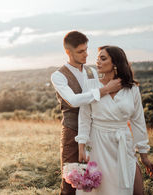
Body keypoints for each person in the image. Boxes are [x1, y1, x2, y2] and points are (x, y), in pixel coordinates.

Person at [76, 45, 153, 195]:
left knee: (137, 190)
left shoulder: (131, 89)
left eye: (103, 58)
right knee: (102, 189)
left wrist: (144, 155)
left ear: (115, 63)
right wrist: (81, 145)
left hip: (123, 141)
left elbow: (138, 122)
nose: (98, 61)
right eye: (97, 58)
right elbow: (84, 117)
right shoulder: (91, 85)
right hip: (98, 142)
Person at [51, 31, 122, 195]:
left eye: (86, 50)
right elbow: (74, 100)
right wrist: (105, 90)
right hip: (72, 131)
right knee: (71, 179)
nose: (86, 54)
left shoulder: (92, 71)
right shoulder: (58, 76)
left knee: (94, 178)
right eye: (80, 51)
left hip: (95, 132)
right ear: (68, 52)